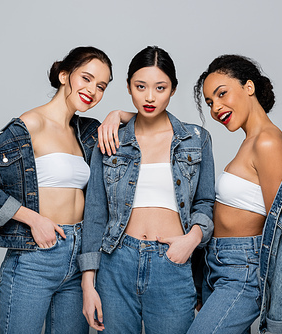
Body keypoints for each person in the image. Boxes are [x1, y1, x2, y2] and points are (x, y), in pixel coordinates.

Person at [0, 46, 132, 334]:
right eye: (86, 78)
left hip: (80, 258)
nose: (92, 90)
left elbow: (153, 124)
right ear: (64, 75)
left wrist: (117, 114)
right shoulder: (30, 125)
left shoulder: (88, 132)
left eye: (101, 86)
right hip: (35, 256)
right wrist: (34, 219)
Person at [79, 46, 216, 334]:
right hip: (117, 261)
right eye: (140, 86)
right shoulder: (110, 140)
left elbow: (204, 203)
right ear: (129, 87)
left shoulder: (196, 139)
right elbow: (94, 212)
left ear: (173, 90)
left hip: (172, 262)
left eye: (160, 87)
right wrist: (88, 281)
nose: (150, 97)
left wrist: (190, 240)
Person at [187, 55, 282, 334]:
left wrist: (280, 299)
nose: (216, 108)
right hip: (218, 265)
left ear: (248, 87)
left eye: (222, 94)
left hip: (242, 272)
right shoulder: (250, 142)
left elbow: (281, 228)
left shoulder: (268, 141)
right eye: (210, 102)